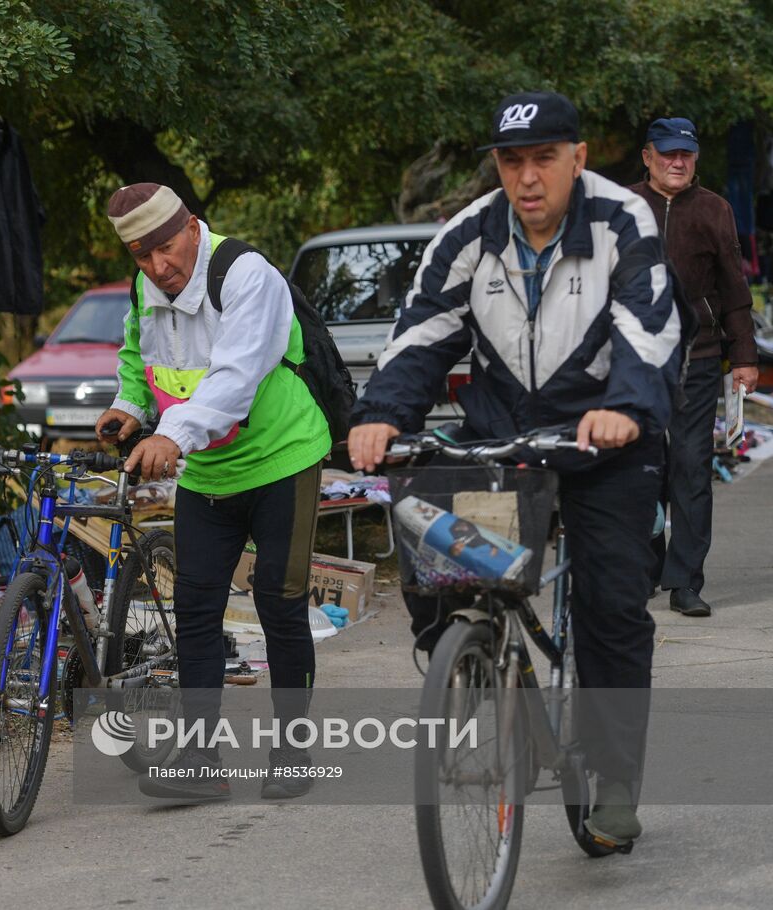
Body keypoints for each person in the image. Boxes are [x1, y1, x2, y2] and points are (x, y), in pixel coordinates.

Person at [349, 92, 682, 848]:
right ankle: (466, 664)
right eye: (511, 161)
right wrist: (380, 414)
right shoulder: (469, 233)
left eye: (543, 159)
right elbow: (423, 333)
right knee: (433, 549)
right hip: (504, 436)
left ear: (578, 158)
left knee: (611, 604)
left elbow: (647, 325)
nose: (527, 179)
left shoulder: (622, 222)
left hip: (607, 440)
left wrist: (626, 406)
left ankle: (616, 778)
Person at [94, 183, 332, 801]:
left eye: (166, 249)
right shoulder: (146, 287)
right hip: (208, 472)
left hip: (282, 460)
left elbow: (234, 378)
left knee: (281, 608)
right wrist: (129, 406)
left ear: (193, 227)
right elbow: (137, 358)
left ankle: (293, 749)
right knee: (196, 612)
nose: (158, 268)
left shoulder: (248, 276)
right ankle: (200, 756)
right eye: (141, 257)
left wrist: (171, 435)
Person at [628, 117, 758, 618]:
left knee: (689, 467)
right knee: (639, 467)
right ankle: (644, 565)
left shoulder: (714, 210)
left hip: (697, 357)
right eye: (667, 154)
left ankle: (685, 580)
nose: (677, 162)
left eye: (685, 154)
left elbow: (734, 289)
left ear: (695, 158)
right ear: (647, 157)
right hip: (633, 359)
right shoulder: (622, 206)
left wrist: (743, 358)